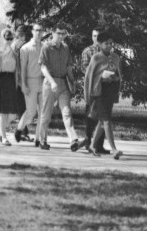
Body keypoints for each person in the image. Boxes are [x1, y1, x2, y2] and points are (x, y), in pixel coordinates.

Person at [39, 23, 84, 151]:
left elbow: (69, 67)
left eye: (63, 34)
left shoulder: (65, 48)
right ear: (52, 33)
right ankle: (43, 140)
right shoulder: (46, 47)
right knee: (46, 114)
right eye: (58, 33)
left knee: (67, 112)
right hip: (49, 83)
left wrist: (72, 82)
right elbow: (43, 67)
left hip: (63, 83)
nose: (60, 36)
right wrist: (52, 82)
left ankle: (73, 140)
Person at [84, 31, 123, 159]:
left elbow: (119, 75)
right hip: (99, 92)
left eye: (111, 43)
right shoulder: (96, 58)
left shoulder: (116, 57)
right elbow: (89, 77)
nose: (109, 46)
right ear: (99, 44)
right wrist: (88, 95)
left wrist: (115, 77)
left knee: (102, 120)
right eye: (106, 43)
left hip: (110, 92)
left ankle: (92, 145)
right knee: (106, 120)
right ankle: (114, 149)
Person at [0, 25, 27, 139]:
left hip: (13, 82)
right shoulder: (3, 51)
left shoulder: (16, 50)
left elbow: (18, 69)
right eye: (7, 38)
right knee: (4, 109)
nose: (9, 40)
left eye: (11, 38)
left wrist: (22, 83)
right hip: (2, 82)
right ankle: (2, 131)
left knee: (12, 109)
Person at [81, 27, 110, 154]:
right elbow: (85, 69)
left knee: (103, 116)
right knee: (91, 115)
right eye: (94, 36)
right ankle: (88, 141)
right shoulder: (88, 51)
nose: (96, 38)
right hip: (92, 87)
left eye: (98, 36)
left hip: (105, 87)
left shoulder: (107, 52)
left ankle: (99, 145)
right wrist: (99, 73)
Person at [14, 23, 43, 146]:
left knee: (42, 112)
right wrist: (24, 84)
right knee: (31, 112)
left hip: (42, 82)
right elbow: (23, 69)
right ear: (32, 31)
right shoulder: (25, 49)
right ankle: (19, 129)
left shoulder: (45, 47)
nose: (39, 33)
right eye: (36, 30)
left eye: (41, 31)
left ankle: (38, 139)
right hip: (30, 82)